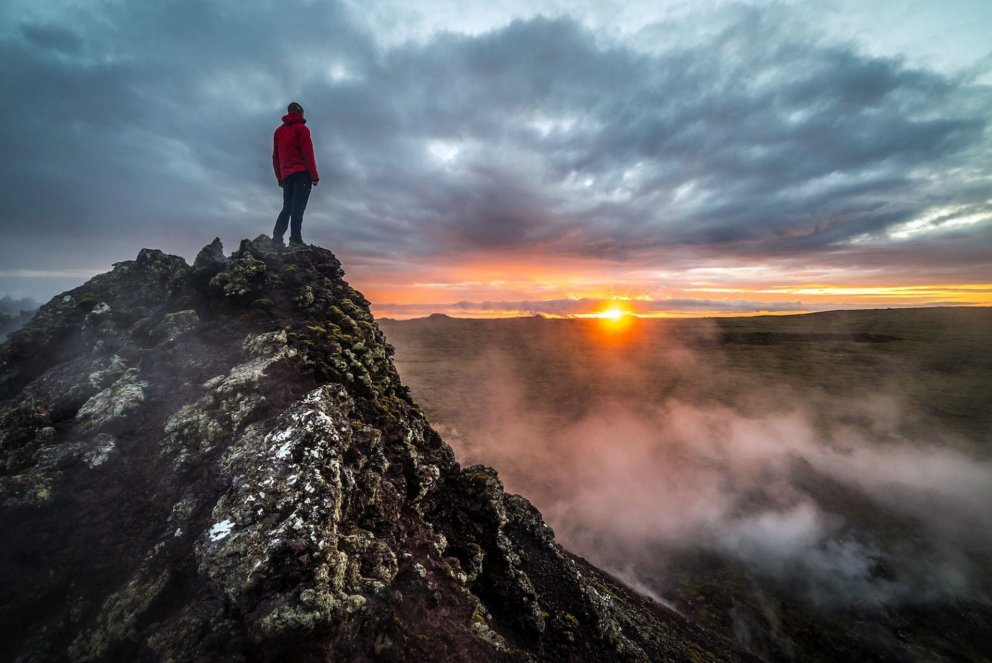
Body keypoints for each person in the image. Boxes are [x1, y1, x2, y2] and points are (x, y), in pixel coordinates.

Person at [272, 102, 320, 247]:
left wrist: (280, 177)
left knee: (287, 207)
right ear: (301, 113)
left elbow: (275, 157)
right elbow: (308, 153)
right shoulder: (302, 129)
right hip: (301, 174)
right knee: (298, 207)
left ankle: (276, 239)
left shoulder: (279, 132)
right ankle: (295, 239)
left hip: (287, 176)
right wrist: (314, 176)